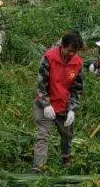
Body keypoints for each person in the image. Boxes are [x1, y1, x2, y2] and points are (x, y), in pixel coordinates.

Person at [32, 31, 84, 172]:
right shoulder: (49, 58)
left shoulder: (77, 63)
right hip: (45, 105)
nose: (71, 54)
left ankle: (66, 158)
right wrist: (46, 105)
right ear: (62, 46)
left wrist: (72, 109)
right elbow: (41, 86)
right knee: (43, 136)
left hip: (64, 105)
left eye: (75, 51)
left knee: (67, 135)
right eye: (69, 50)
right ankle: (38, 169)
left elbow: (77, 89)